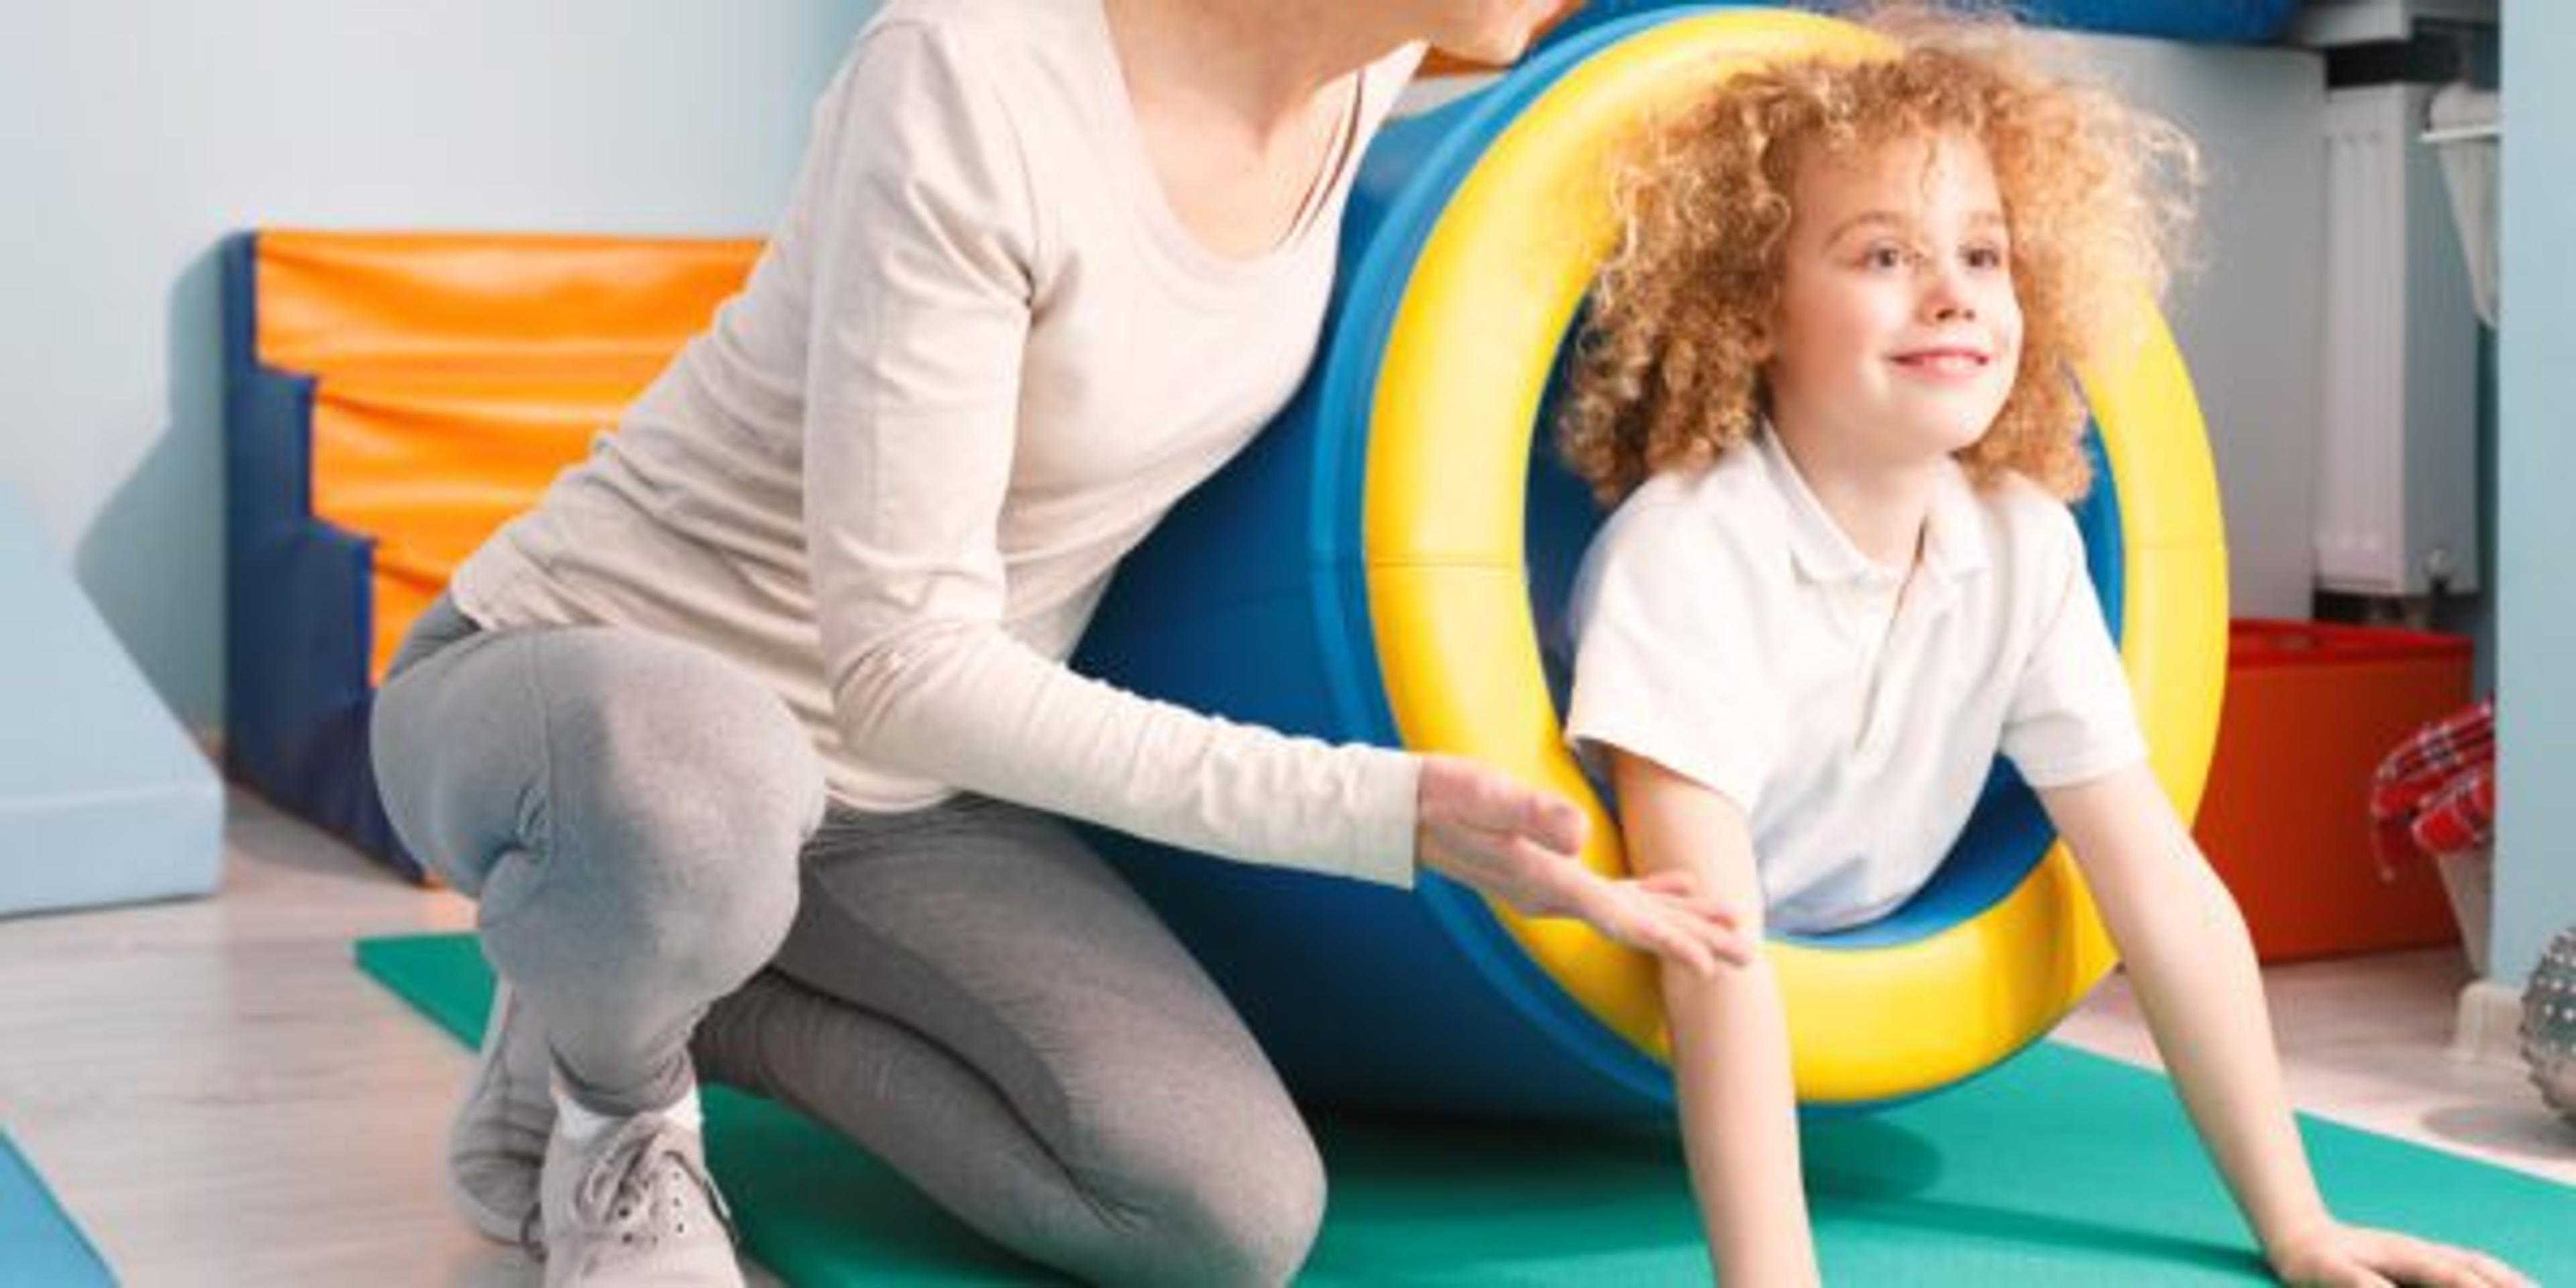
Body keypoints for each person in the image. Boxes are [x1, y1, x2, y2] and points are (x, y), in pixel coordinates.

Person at [367, 0, 1750, 1285]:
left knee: (1222, 1211)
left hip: (901, 796)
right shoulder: (975, 73)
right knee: (695, 793)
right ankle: (616, 1105)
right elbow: (905, 668)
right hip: (592, 692)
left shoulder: (1365, 66)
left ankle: (630, 986)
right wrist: (1380, 810)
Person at [1554, 8, 2532, 1287]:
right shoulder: (1687, 557)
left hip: (1856, 963)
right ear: (1752, 306)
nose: (1953, 289)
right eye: (1883, 255)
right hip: (1614, 1009)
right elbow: (1710, 949)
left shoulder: (2017, 542)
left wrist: (2298, 1225)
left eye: (1983, 251)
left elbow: (2159, 889)